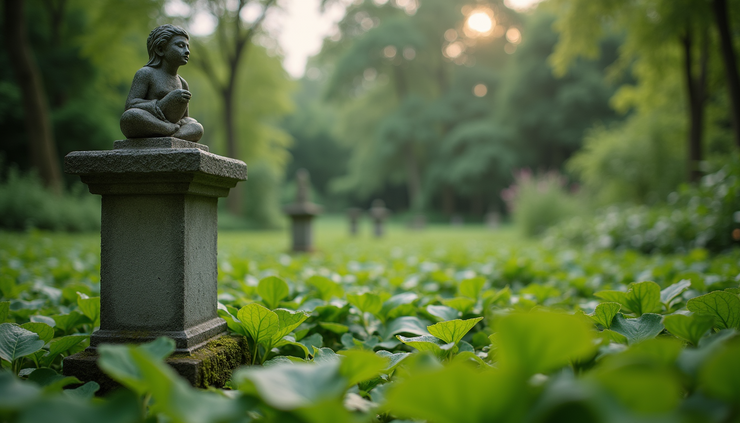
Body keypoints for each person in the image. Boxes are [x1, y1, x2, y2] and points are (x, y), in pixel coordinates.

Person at [119, 24, 204, 141]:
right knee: (130, 117)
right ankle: (167, 130)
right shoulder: (146, 73)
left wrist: (181, 120)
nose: (187, 51)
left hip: (173, 124)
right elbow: (131, 105)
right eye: (180, 46)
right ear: (160, 49)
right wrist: (164, 102)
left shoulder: (182, 83)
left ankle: (171, 134)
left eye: (187, 47)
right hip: (151, 119)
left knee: (196, 127)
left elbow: (184, 117)